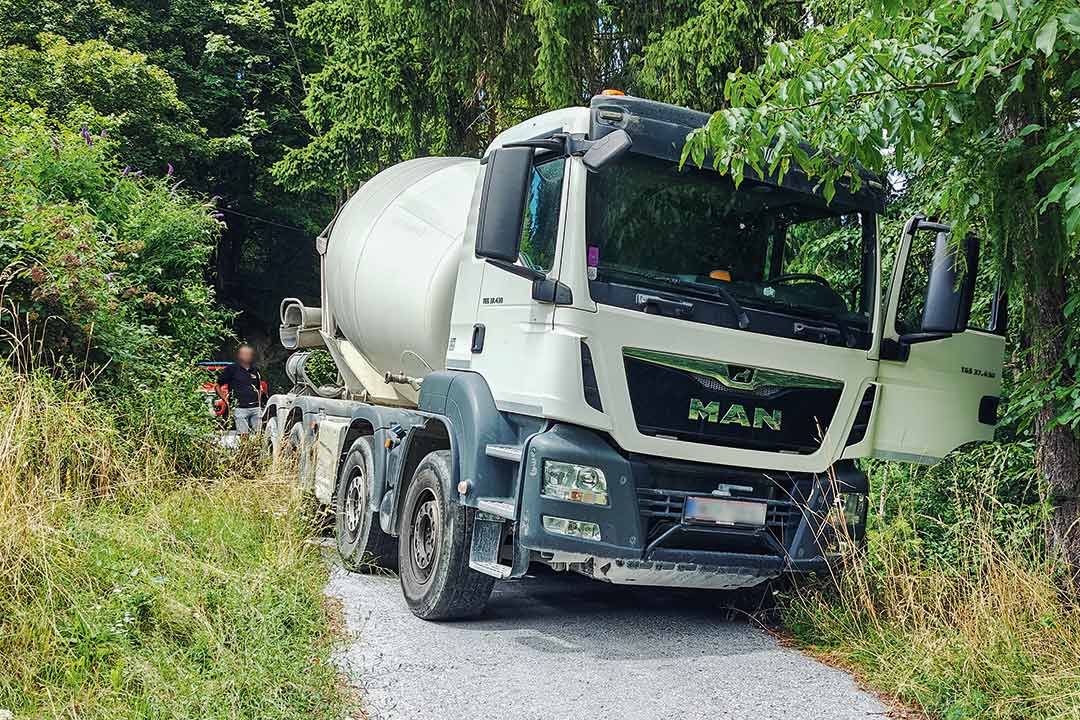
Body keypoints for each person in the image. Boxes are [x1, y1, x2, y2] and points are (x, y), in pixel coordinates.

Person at [216, 345, 264, 436]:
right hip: (240, 408)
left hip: (255, 408)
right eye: (244, 354)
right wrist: (226, 400)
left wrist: (258, 401)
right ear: (239, 355)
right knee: (243, 435)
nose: (246, 356)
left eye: (248, 354)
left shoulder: (255, 370)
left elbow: (259, 387)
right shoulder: (231, 369)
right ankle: (244, 449)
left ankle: (256, 450)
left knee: (258, 435)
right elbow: (217, 385)